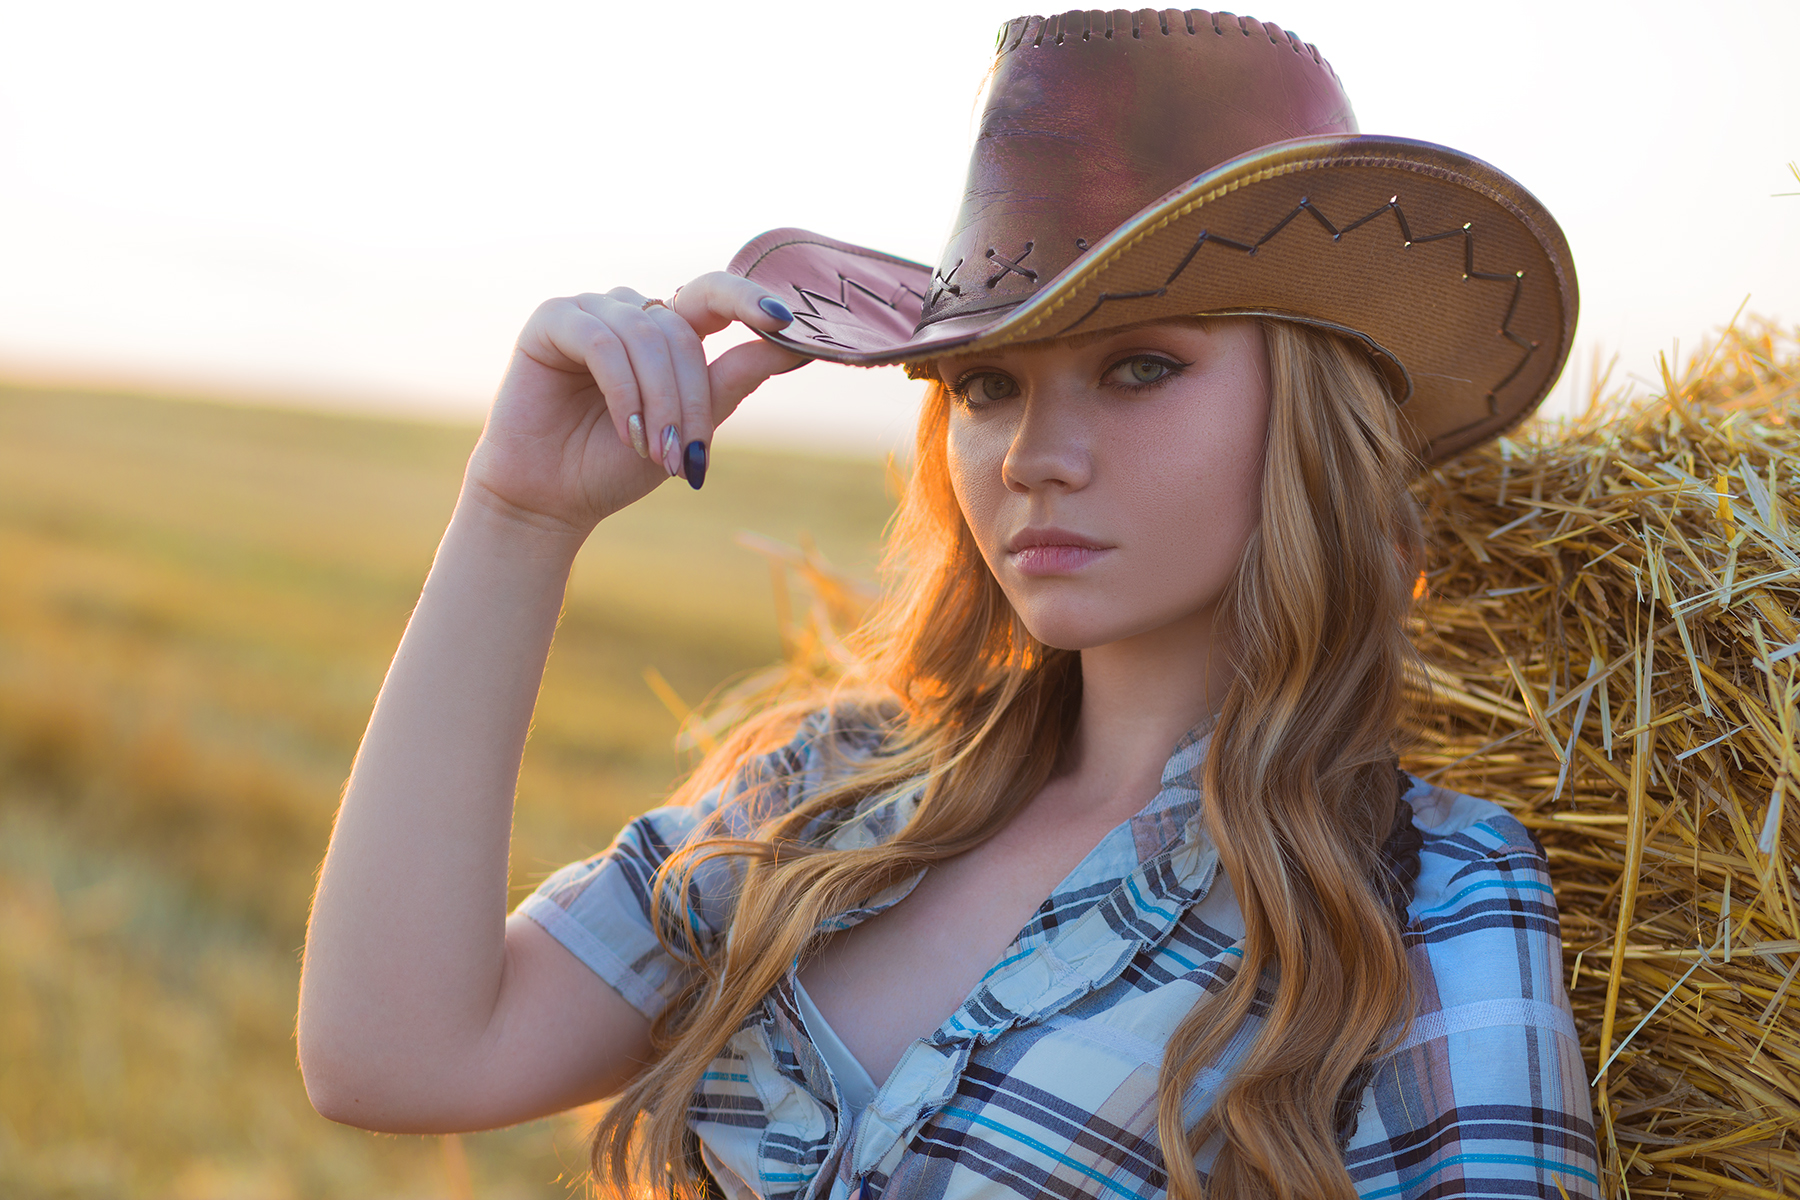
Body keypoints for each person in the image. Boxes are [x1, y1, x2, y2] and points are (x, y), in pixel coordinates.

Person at [297, 12, 1599, 1200]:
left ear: (1313, 420)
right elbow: (393, 1059)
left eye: (1141, 367)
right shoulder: (832, 793)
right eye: (986, 386)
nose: (1036, 452)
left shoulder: (1429, 905)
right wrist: (520, 516)